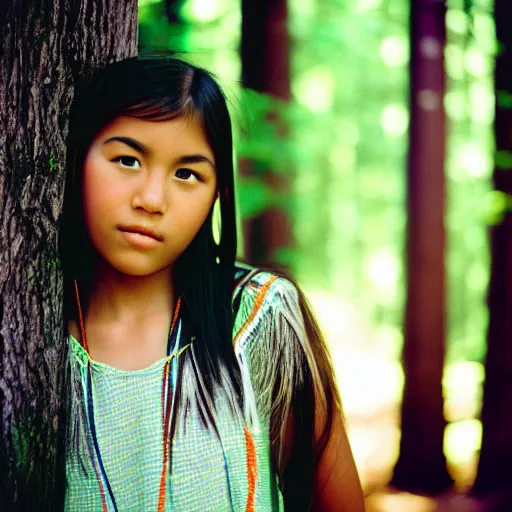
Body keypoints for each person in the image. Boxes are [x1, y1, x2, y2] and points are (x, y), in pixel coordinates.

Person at [58, 56, 365, 512]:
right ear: (77, 156)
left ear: (217, 193)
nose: (151, 199)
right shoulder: (32, 341)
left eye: (187, 174)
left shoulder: (258, 318)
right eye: (127, 160)